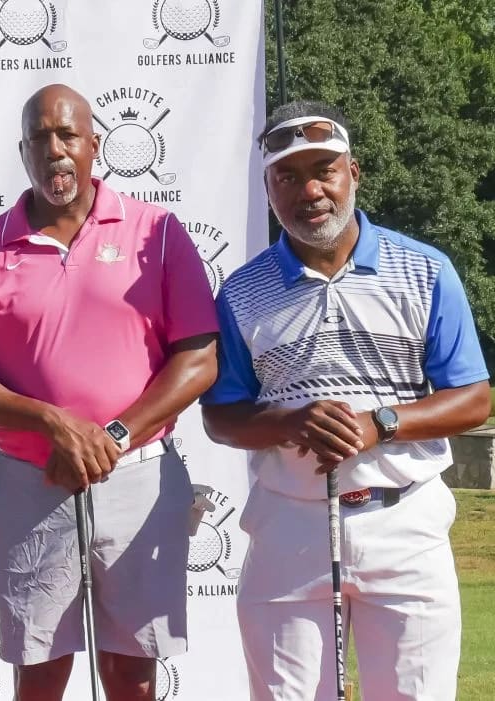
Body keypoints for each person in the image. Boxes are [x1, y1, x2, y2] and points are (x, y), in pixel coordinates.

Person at [0, 83, 220, 700]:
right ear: (22, 151)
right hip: (30, 480)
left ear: (94, 144)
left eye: (67, 135)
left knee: (132, 671)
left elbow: (198, 360)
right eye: (39, 138)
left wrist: (110, 436)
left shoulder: (157, 232)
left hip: (138, 475)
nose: (54, 149)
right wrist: (52, 422)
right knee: (38, 669)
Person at [201, 100, 492, 700]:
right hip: (289, 525)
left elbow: (473, 399)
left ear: (352, 173)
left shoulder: (425, 270)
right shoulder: (241, 292)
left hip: (405, 521)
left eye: (323, 170)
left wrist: (379, 423)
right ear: (268, 189)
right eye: (287, 176)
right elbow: (222, 417)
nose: (309, 191)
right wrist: (291, 422)